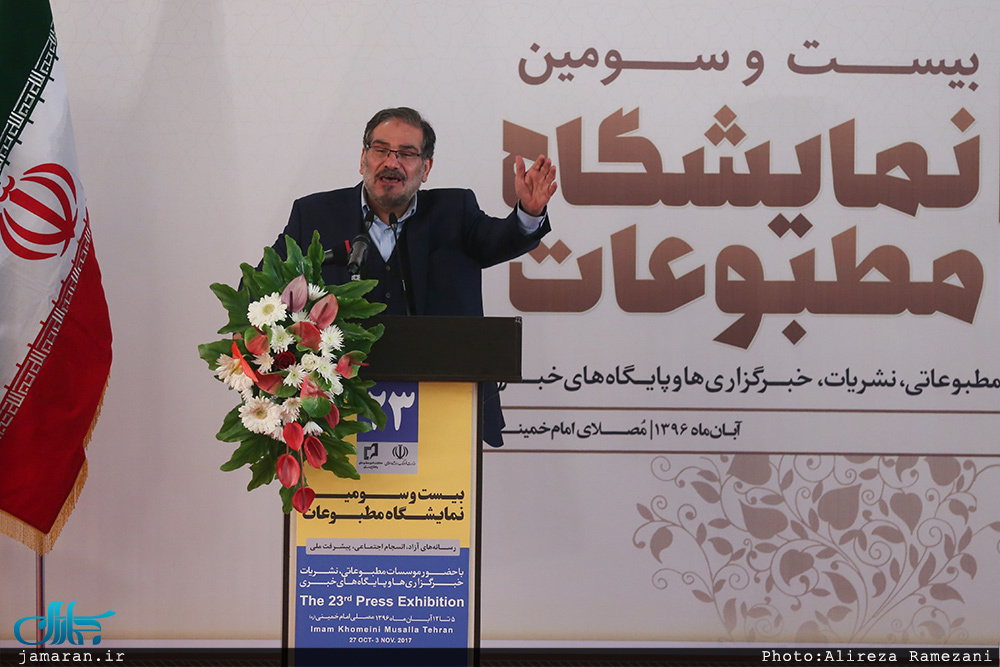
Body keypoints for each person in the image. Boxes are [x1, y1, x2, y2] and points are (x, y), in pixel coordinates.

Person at [272, 107, 557, 447]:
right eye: (381, 150)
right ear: (363, 158)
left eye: (406, 154)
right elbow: (265, 285)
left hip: (445, 408)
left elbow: (500, 239)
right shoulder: (315, 214)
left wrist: (529, 213)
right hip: (334, 411)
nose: (391, 162)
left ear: (426, 168)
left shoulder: (455, 211)